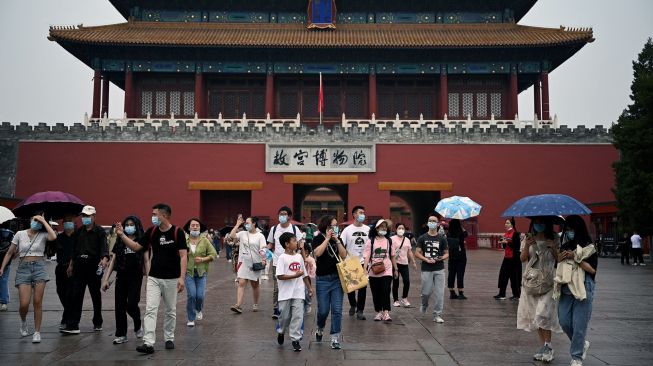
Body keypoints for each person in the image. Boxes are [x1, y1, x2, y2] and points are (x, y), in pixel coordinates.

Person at [117, 203, 187, 354]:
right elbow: (136, 247)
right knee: (150, 309)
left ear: (165, 216)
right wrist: (122, 235)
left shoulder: (177, 232)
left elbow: (183, 256)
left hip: (172, 278)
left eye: (155, 214)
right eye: (153, 214)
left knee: (170, 310)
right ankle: (148, 343)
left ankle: (169, 338)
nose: (153, 217)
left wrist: (182, 277)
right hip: (154, 277)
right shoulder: (152, 231)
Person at [0, 213, 57, 343]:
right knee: (24, 304)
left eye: (38, 221)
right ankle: (24, 321)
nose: (36, 222)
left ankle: (37, 332)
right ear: (30, 220)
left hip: (39, 268)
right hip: (23, 269)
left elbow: (53, 236)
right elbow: (10, 252)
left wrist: (43, 220)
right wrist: (2, 268)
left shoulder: (43, 235)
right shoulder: (20, 234)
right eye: (35, 220)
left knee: (37, 302)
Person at [517, 217, 562, 363]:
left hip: (549, 281)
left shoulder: (554, 238)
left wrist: (553, 248)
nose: (538, 225)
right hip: (532, 281)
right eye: (536, 223)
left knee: (543, 313)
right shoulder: (528, 238)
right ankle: (544, 346)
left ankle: (549, 346)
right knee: (536, 316)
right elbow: (523, 259)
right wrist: (526, 246)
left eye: (541, 222)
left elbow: (559, 259)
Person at [61, 205, 109, 334]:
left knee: (95, 295)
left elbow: (104, 249)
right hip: (79, 265)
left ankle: (98, 321)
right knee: (76, 295)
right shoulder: (79, 232)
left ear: (94, 216)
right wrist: (71, 265)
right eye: (84, 216)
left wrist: (104, 259)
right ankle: (73, 324)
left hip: (93, 265)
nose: (85, 218)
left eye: (88, 216)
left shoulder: (100, 231)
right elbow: (74, 251)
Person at [556, 215, 597, 366]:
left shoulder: (589, 247)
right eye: (567, 230)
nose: (569, 232)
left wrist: (576, 257)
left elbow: (592, 270)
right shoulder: (565, 245)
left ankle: (576, 357)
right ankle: (581, 343)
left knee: (579, 324)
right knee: (564, 321)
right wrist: (559, 258)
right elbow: (558, 267)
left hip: (583, 287)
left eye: (572, 230)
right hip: (566, 287)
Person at [102, 215, 147, 344]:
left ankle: (137, 324)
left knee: (132, 304)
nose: (129, 227)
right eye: (127, 224)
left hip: (136, 276)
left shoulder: (141, 240)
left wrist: (149, 278)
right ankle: (121, 334)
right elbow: (113, 260)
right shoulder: (120, 241)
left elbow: (146, 260)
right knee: (120, 306)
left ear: (137, 226)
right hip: (121, 276)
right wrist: (106, 279)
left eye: (132, 224)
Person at [313, 215, 348, 349]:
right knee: (323, 310)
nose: (335, 228)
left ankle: (335, 337)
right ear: (326, 227)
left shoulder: (337, 239)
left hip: (337, 279)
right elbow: (318, 253)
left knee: (337, 310)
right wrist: (327, 239)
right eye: (333, 225)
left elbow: (344, 256)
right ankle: (320, 327)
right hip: (322, 280)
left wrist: (337, 241)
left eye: (336, 225)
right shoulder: (317, 238)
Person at [275, 232, 313, 352]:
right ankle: (281, 331)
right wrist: (294, 275)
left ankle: (295, 339)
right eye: (294, 241)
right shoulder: (282, 258)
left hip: (298, 292)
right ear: (287, 244)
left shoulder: (299, 257)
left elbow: (304, 275)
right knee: (284, 317)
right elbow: (280, 276)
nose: (296, 243)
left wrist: (309, 287)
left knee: (298, 316)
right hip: (285, 293)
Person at [267, 206, 302, 319]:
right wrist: (264, 249)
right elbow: (270, 244)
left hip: (292, 261)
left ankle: (292, 306)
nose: (282, 216)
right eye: (280, 214)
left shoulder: (294, 229)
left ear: (289, 216)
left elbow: (300, 244)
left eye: (284, 214)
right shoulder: (274, 229)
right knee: (277, 286)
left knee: (293, 283)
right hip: (277, 262)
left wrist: (302, 257)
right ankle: (276, 308)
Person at [414, 215, 449, 323]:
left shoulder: (442, 238)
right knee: (426, 292)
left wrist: (441, 258)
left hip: (439, 269)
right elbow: (417, 253)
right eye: (430, 221)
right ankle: (424, 304)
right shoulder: (422, 238)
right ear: (428, 223)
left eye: (434, 221)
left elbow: (447, 253)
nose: (432, 222)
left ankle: (437, 314)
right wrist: (426, 259)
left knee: (440, 293)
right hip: (426, 268)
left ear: (438, 224)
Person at [183, 218, 217, 326]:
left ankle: (198, 309)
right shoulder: (184, 240)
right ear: (189, 227)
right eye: (192, 225)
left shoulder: (204, 240)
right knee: (192, 295)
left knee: (200, 296)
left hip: (201, 273)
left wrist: (203, 259)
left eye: (197, 225)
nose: (195, 227)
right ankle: (191, 318)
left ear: (200, 228)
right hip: (188, 272)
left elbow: (214, 254)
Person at [230, 215, 267, 314]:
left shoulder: (260, 236)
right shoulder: (242, 233)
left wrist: (263, 259)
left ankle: (255, 304)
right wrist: (237, 224)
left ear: (254, 224)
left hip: (255, 263)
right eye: (245, 223)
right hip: (243, 263)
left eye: (247, 223)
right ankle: (238, 305)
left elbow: (263, 248)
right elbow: (232, 236)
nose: (246, 224)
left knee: (254, 285)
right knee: (241, 283)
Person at [340, 205, 369, 320]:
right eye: (360, 212)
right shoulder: (347, 230)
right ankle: (353, 304)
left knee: (363, 287)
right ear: (354, 215)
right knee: (351, 287)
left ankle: (360, 310)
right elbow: (341, 245)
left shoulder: (368, 229)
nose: (362, 214)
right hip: (351, 261)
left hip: (364, 261)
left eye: (363, 212)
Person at [364, 219, 397, 321]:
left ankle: (386, 312)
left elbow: (392, 256)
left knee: (386, 290)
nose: (383, 228)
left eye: (385, 226)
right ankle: (379, 312)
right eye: (381, 226)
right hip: (374, 270)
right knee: (376, 292)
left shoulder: (389, 241)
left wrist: (396, 269)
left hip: (387, 269)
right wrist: (364, 268)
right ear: (376, 228)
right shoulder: (371, 241)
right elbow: (367, 256)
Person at [53, 216, 76, 329]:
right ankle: (69, 314)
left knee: (70, 294)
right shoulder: (59, 237)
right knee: (60, 292)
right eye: (65, 221)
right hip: (60, 268)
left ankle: (66, 318)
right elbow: (51, 250)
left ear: (74, 222)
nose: (67, 223)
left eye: (69, 221)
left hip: (74, 269)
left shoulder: (78, 237)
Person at [495, 218, 522, 300]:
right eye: (505, 223)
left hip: (514, 259)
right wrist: (503, 243)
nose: (505, 224)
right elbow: (505, 247)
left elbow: (516, 246)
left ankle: (516, 295)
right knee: (503, 275)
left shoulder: (516, 234)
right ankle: (502, 294)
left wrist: (507, 243)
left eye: (507, 223)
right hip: (506, 258)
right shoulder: (506, 234)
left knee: (514, 277)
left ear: (512, 224)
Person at [391, 224, 417, 308]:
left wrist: (413, 262)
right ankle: (395, 300)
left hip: (404, 263)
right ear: (396, 229)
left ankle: (404, 298)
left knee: (407, 281)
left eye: (402, 228)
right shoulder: (392, 239)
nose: (401, 229)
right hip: (395, 263)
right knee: (396, 282)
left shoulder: (407, 240)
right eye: (399, 228)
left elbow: (409, 251)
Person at [446, 219, 469, 300]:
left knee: (451, 273)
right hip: (461, 256)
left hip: (452, 255)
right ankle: (460, 293)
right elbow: (466, 234)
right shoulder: (461, 233)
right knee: (460, 274)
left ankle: (452, 292)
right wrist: (461, 227)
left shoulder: (448, 233)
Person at [0, 227, 15, 312]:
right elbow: (13, 250)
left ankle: (3, 301)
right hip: (6, 261)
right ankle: (4, 302)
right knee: (4, 281)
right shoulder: (10, 233)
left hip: (4, 261)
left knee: (3, 281)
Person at [301, 241, 316, 314]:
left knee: (306, 292)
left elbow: (313, 271)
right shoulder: (298, 257)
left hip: (306, 278)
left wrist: (310, 264)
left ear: (306, 251)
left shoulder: (311, 259)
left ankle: (308, 303)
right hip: (298, 278)